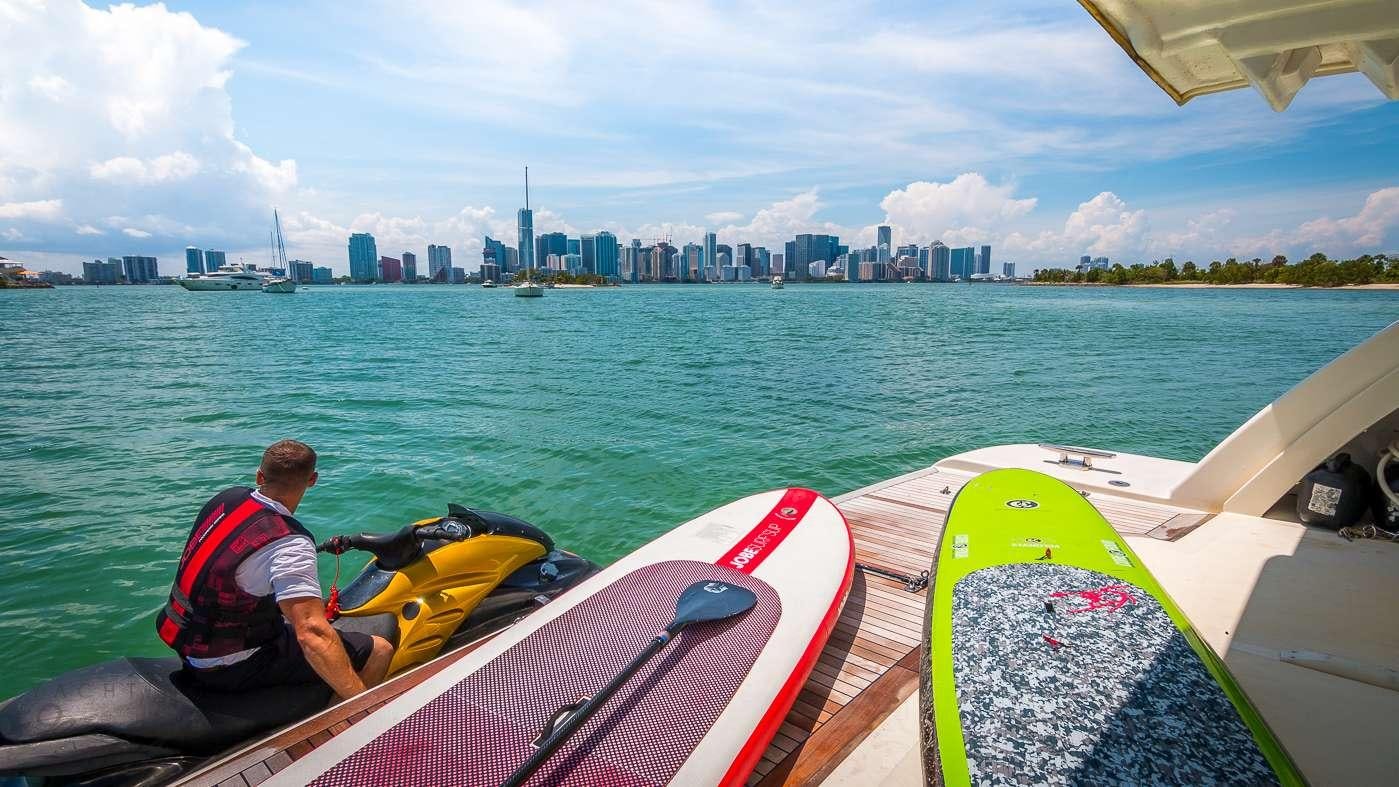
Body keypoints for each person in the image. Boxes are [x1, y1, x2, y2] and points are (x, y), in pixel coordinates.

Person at [154, 439, 393, 699]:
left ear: (259, 475)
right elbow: (311, 634)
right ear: (312, 480)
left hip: (187, 642)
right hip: (231, 662)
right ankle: (346, 722)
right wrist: (361, 702)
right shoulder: (290, 542)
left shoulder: (226, 500)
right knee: (379, 650)